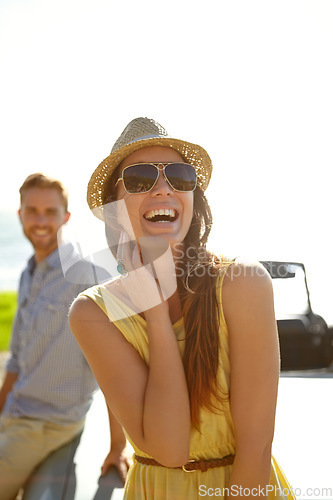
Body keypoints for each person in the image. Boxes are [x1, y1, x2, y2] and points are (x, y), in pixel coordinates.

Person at [69, 117, 296, 500]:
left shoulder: (244, 283)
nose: (163, 189)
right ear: (115, 207)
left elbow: (255, 451)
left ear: (194, 198)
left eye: (179, 176)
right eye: (141, 179)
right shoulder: (92, 313)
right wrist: (156, 314)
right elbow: (170, 448)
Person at [0, 173, 128, 500]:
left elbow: (114, 367)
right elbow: (16, 360)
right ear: (19, 215)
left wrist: (117, 448)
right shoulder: (29, 271)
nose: (40, 221)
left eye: (50, 212)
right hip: (15, 416)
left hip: (49, 424)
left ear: (66, 218)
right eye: (32, 211)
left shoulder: (86, 273)